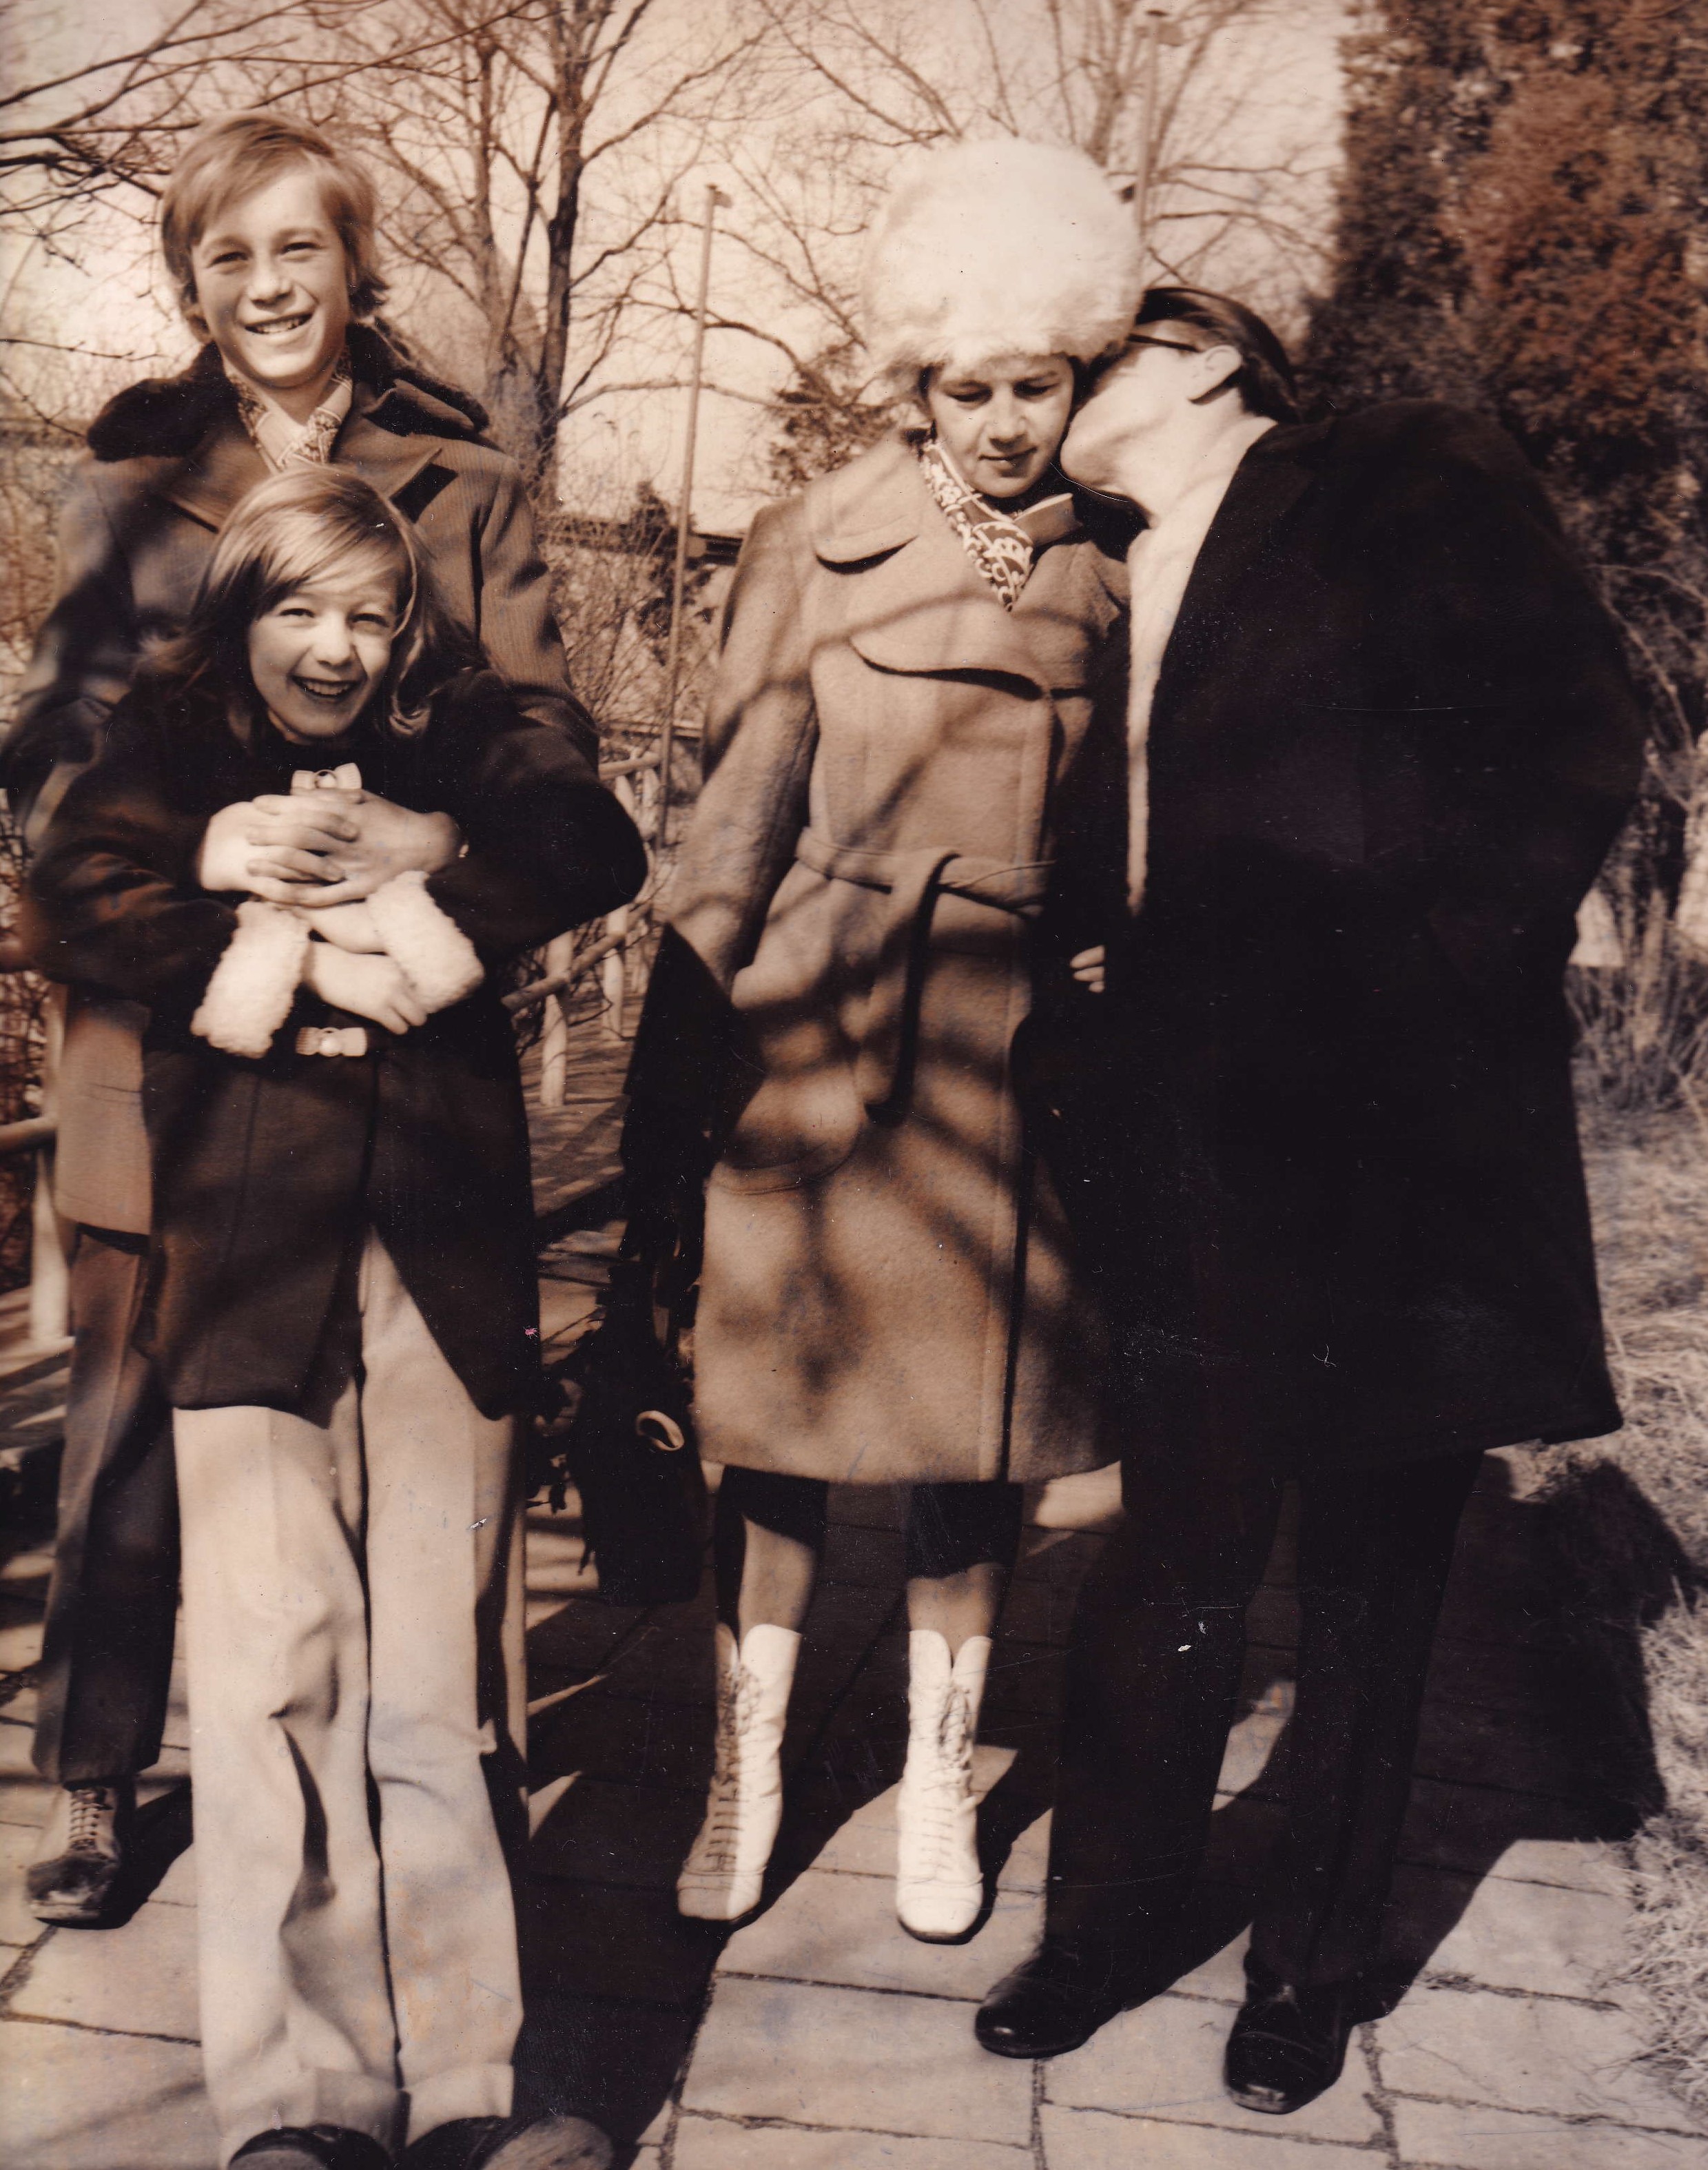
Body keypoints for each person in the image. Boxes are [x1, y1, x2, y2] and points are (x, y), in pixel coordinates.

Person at [973, 289, 1648, 2111]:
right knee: (1169, 1548)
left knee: (1369, 1575)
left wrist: (1418, 998)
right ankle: (1106, 1925)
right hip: (1193, 1148)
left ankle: (1312, 1968)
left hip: (1394, 1151)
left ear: (1205, 358)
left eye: (1101, 346)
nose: (1060, 375)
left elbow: (1576, 734)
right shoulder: (1119, 569)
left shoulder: (1397, 469)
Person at [2, 108, 595, 1925]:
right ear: (192, 286)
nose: (267, 288)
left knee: (429, 1393)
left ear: (355, 266)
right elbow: (54, 756)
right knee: (131, 1384)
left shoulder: (467, 482)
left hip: (393, 1024)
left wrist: (433, 842)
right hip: (171, 1010)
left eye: (299, 249)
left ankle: (457, 1762)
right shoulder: (123, 486)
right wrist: (207, 847)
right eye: (228, 257)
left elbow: (544, 738)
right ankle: (100, 1767)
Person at [24, 466, 644, 2170]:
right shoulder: (168, 739)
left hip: (441, 1247)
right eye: (299, 608)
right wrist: (253, 917)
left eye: (369, 614)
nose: (336, 648)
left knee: (436, 1688)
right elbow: (66, 883)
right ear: (242, 611)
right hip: (247, 1255)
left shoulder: (461, 727)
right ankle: (303, 2102)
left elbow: (593, 842)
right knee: (269, 1671)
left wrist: (428, 860)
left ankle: (466, 2090)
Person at [620, 138, 1141, 1940]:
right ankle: (746, 1773)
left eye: (1037, 385)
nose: (1004, 423)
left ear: (1080, 376)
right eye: (970, 387)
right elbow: (734, 825)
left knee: (965, 1454)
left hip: (1006, 1065)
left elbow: (1123, 843)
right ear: (916, 381)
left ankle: (936, 1785)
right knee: (772, 1435)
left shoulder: (1113, 573)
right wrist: (680, 1072)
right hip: (818, 1032)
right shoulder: (818, 542)